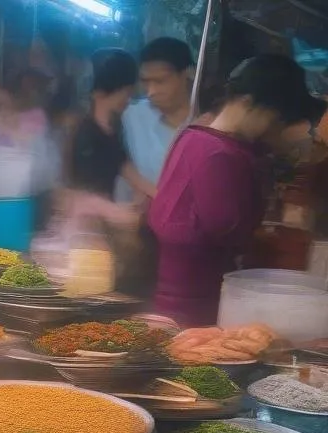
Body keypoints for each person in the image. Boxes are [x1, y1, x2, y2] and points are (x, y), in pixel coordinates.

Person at [149, 54, 327, 327]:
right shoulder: (218, 153)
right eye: (274, 119)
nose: (274, 129)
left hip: (187, 303)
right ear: (247, 103)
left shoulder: (194, 137)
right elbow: (230, 231)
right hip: (196, 310)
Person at [69, 49, 154, 201]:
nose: (128, 99)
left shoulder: (113, 130)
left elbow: (127, 169)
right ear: (101, 91)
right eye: (126, 92)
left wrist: (161, 196)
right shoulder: (85, 135)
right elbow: (84, 194)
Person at [120, 38, 194, 193]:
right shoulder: (131, 115)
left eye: (160, 81)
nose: (151, 91)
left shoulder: (205, 128)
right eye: (146, 82)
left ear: (187, 74)